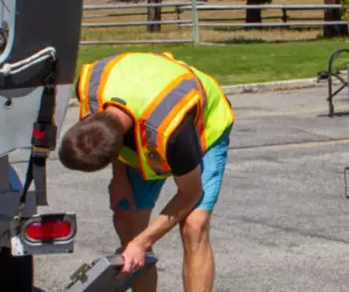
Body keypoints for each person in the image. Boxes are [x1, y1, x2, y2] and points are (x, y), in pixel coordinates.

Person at [58, 51, 234, 292]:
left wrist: (143, 242)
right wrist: (119, 178)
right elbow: (110, 135)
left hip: (203, 122)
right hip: (144, 109)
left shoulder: (173, 133)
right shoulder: (89, 88)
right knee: (127, 218)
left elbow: (190, 193)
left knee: (194, 226)